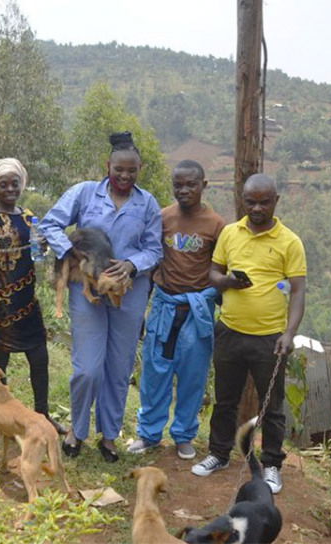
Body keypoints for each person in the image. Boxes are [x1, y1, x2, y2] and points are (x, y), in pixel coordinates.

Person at [40, 131, 162, 462]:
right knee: (87, 369)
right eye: (118, 169)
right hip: (87, 291)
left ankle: (108, 436)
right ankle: (76, 431)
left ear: (140, 169)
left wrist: (132, 265)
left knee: (118, 368)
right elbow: (51, 224)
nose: (124, 176)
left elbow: (154, 249)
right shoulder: (84, 194)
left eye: (132, 171)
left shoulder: (147, 203)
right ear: (107, 165)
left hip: (129, 293)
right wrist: (74, 255)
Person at [191, 173, 306, 495]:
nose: (256, 208)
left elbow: (298, 292)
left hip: (270, 338)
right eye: (250, 201)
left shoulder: (289, 242)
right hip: (229, 331)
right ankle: (218, 454)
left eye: (264, 202)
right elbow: (213, 274)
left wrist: (289, 333)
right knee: (225, 400)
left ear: (276, 202)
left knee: (272, 406)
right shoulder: (230, 233)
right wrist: (228, 282)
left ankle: (271, 465)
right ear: (242, 200)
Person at [127, 160, 225, 460]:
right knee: (155, 373)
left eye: (190, 184)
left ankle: (183, 435)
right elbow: (152, 261)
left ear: (203, 185)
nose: (184, 190)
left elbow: (221, 269)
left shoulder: (216, 225)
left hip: (197, 309)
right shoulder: (163, 218)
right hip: (164, 305)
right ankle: (149, 434)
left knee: (192, 375)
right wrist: (142, 309)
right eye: (178, 185)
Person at [0, 157, 66, 435]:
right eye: (3, 184)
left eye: (15, 183)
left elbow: (38, 254)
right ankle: (2, 420)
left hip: (26, 303)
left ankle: (43, 416)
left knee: (40, 359)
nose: (10, 188)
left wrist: (43, 246)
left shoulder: (28, 217)